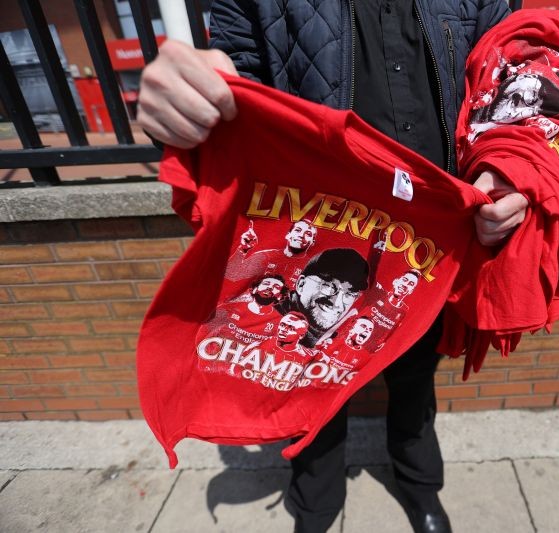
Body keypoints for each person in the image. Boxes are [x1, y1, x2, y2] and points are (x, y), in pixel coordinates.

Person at [137, 1, 528, 531]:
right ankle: (316, 508)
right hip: (321, 222)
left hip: (432, 237)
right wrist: (188, 101)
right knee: (309, 378)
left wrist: (511, 162)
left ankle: (420, 488)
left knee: (415, 380)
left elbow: (508, 79)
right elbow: (234, 80)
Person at [276, 248, 370, 349]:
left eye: (349, 294)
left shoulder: (336, 337)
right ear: (301, 284)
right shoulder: (271, 311)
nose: (337, 303)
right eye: (328, 286)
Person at [226, 219, 318, 287]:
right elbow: (232, 275)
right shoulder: (266, 256)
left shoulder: (312, 268)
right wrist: (243, 249)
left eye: (308, 234)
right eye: (298, 230)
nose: (301, 236)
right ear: (288, 235)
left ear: (313, 242)